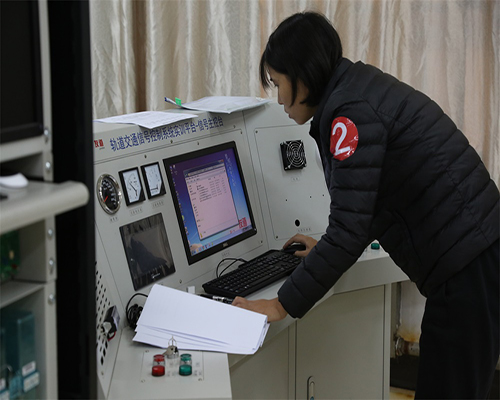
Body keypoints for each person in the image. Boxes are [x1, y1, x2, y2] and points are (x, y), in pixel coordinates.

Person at [232, 11, 499, 399]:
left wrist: (279, 304)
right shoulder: (357, 89)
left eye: (278, 83)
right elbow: (368, 201)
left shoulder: (350, 114)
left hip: (467, 264)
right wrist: (325, 249)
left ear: (303, 75)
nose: (279, 99)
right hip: (475, 252)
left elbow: (349, 231)